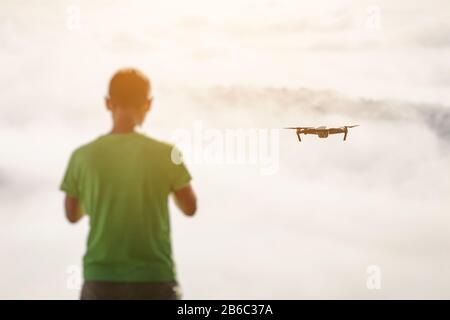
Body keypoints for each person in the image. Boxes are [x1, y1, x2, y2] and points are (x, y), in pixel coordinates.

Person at [60, 68, 197, 299]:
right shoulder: (167, 154)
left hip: (100, 278)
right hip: (154, 278)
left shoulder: (82, 156)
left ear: (107, 103)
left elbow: (72, 215)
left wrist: (99, 197)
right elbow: (190, 208)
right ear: (148, 104)